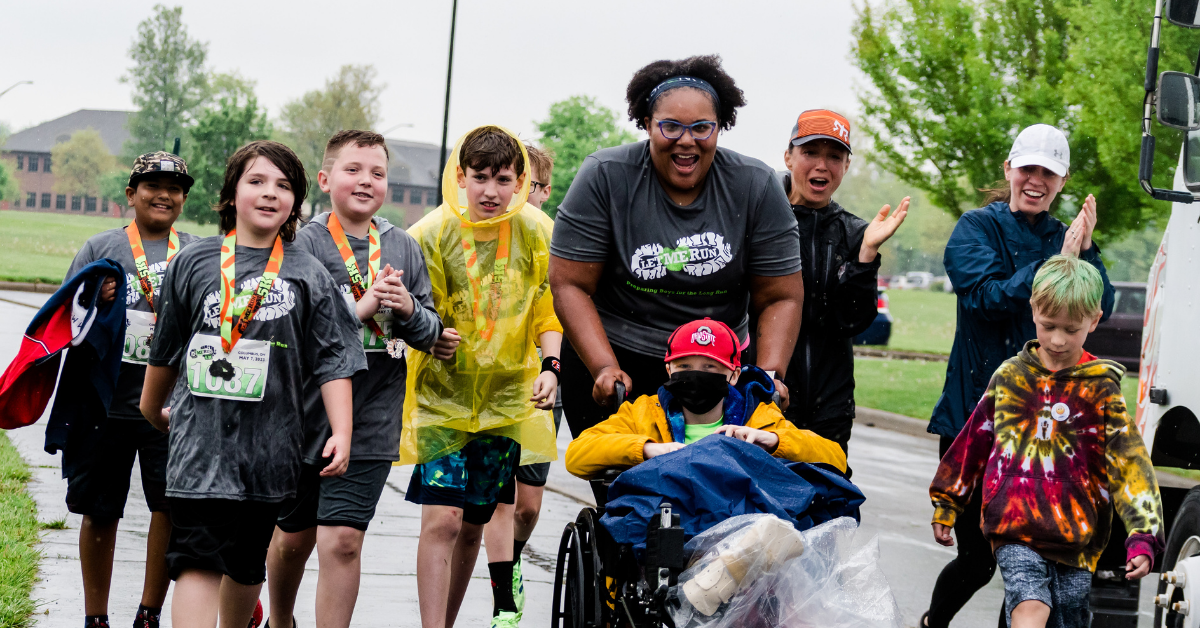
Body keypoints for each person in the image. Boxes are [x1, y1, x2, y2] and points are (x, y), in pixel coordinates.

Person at [139, 140, 365, 628]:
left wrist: (342, 432)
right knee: (196, 561)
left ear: (297, 203)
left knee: (245, 565)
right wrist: (151, 408)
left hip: (271, 453)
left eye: (283, 186)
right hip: (199, 446)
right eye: (256, 181)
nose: (269, 194)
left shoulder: (309, 274)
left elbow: (333, 361)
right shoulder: (195, 263)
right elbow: (167, 350)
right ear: (231, 192)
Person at [920, 124, 1116, 628]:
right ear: (1008, 169)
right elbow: (986, 299)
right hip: (975, 419)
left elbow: (1100, 306)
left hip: (1046, 430)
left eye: (1047, 173)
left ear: (1062, 181)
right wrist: (1059, 262)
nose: (1036, 180)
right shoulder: (975, 228)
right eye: (1027, 168)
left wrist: (1086, 253)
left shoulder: (1066, 237)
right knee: (978, 559)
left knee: (1036, 567)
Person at [549, 55, 804, 440]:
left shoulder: (755, 185)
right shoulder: (605, 175)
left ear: (720, 127)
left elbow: (781, 296)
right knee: (626, 492)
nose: (687, 141)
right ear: (647, 124)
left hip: (717, 367)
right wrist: (603, 367)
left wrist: (768, 377)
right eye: (670, 126)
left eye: (702, 128)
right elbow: (569, 283)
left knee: (712, 491)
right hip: (621, 360)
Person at [265, 131, 443, 628]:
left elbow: (430, 332)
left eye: (378, 173)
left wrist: (407, 308)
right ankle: (280, 619)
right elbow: (286, 326)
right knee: (294, 536)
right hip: (300, 416)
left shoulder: (403, 246)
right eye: (353, 170)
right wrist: (360, 307)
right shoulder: (299, 244)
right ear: (324, 180)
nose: (366, 181)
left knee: (341, 540)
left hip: (372, 415)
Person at [929, 255, 1162, 628]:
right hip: (1014, 526)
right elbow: (974, 442)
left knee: (1065, 619)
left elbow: (1131, 467)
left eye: (1071, 329)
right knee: (1030, 604)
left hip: (1077, 538)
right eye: (1048, 325)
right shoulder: (1010, 376)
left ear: (1094, 320)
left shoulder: (1100, 388)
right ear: (1033, 310)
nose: (1057, 339)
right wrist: (948, 501)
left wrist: (1142, 534)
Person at [401, 125, 560, 628]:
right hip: (442, 398)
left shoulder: (538, 232)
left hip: (505, 401)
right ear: (460, 177)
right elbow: (411, 313)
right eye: (480, 177)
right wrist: (431, 336)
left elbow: (547, 311)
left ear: (520, 181)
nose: (490, 191)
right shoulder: (431, 233)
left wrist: (552, 367)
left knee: (475, 522)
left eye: (503, 178)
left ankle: (446, 620)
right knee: (442, 520)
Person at [60, 152, 200, 628]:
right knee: (100, 511)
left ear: (184, 198)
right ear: (130, 193)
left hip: (174, 408)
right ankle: (95, 616)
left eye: (175, 188)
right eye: (152, 185)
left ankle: (150, 611)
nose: (164, 194)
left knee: (169, 508)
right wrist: (90, 300)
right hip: (106, 404)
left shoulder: (200, 252)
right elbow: (63, 321)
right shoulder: (100, 247)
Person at [566, 318, 846, 479]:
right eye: (684, 367)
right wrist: (646, 449)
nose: (696, 376)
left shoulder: (758, 418)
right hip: (662, 540)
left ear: (734, 375)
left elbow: (836, 459)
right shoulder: (643, 413)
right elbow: (577, 455)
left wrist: (774, 441)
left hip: (737, 532)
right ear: (668, 370)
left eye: (710, 368)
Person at [778, 110, 909, 452]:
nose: (822, 165)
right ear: (788, 156)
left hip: (830, 405)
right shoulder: (761, 217)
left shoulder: (854, 232)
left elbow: (851, 320)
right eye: (810, 153)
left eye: (834, 156)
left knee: (829, 498)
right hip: (766, 395)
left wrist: (866, 255)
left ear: (846, 165)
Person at [481, 143, 557, 626]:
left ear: (542, 192)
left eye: (525, 185)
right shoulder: (479, 236)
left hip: (544, 382)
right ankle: (503, 598)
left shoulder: (550, 240)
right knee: (500, 499)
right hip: (492, 387)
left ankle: (510, 564)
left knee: (527, 507)